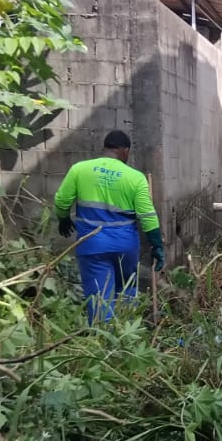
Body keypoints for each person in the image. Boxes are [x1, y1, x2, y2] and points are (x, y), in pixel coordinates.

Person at [54, 130, 164, 323]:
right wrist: (157, 246)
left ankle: (103, 342)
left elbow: (62, 200)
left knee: (99, 297)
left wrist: (63, 219)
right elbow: (148, 216)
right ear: (125, 151)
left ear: (105, 148)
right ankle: (128, 337)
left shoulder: (80, 169)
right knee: (127, 290)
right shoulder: (135, 177)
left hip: (92, 244)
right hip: (125, 245)